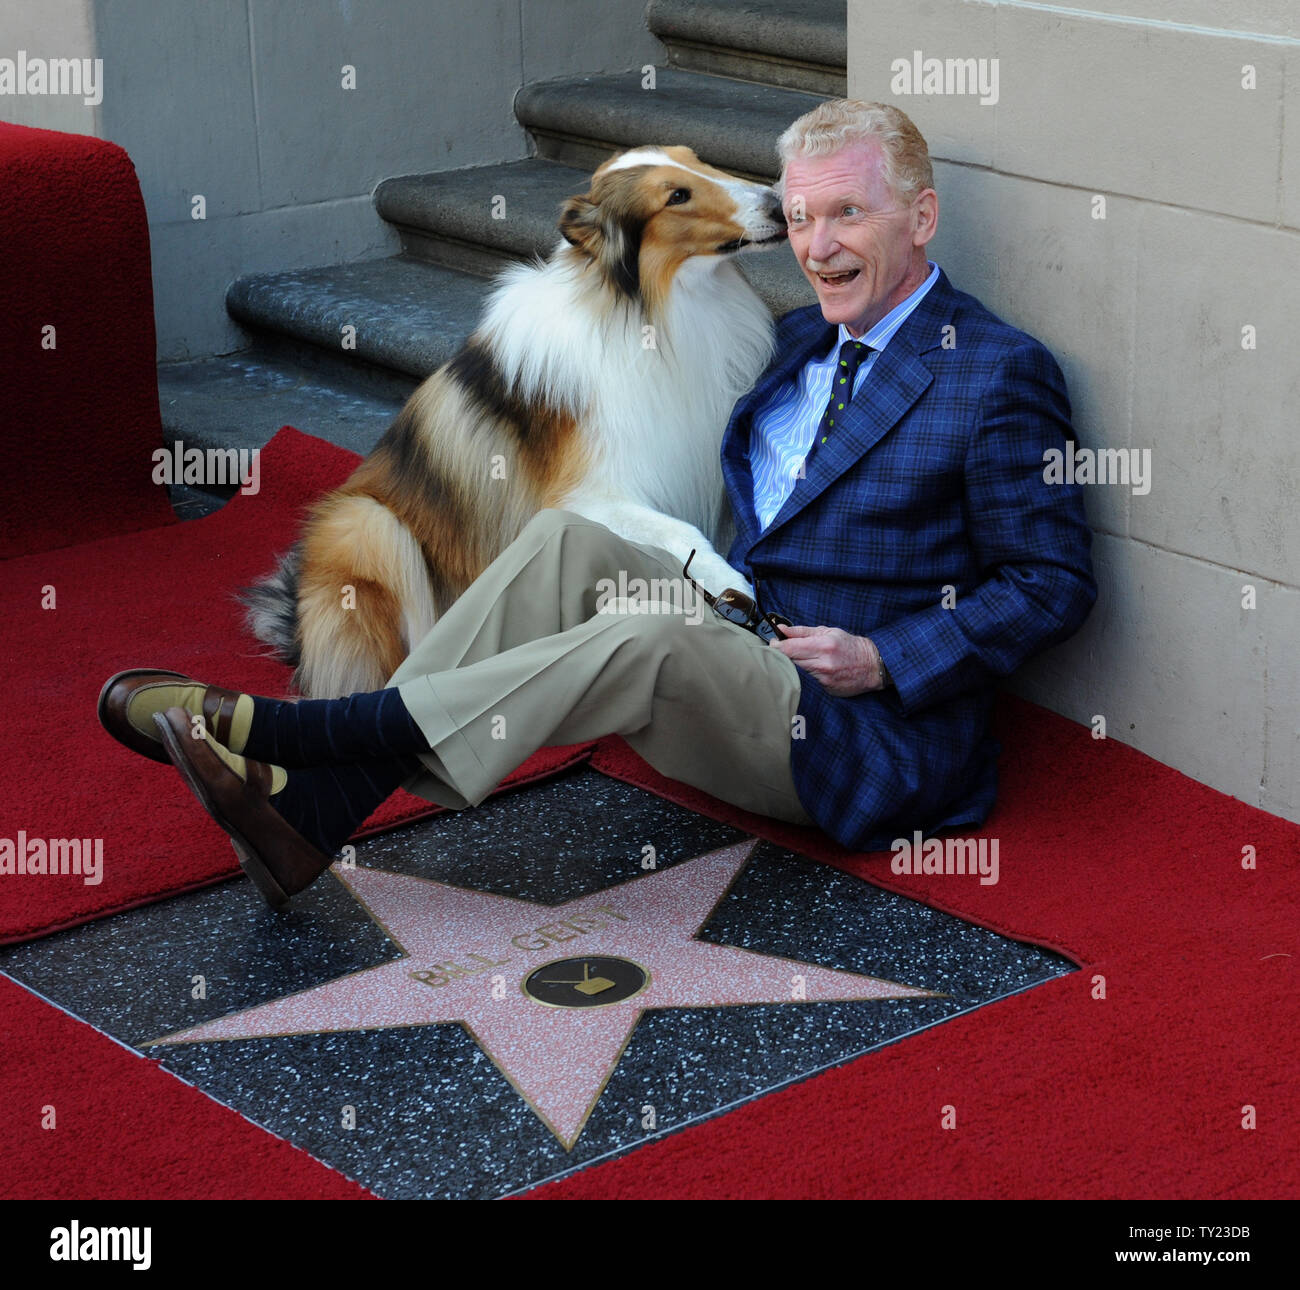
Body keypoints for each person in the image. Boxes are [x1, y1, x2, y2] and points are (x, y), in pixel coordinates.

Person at [99, 100, 1095, 909]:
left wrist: (885, 656)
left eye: (847, 216)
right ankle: (318, 811)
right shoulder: (792, 345)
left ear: (918, 220)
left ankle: (304, 743)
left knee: (646, 637)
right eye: (798, 217)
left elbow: (1050, 583)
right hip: (743, 652)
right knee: (568, 539)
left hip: (856, 734)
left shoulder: (996, 374)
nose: (815, 246)